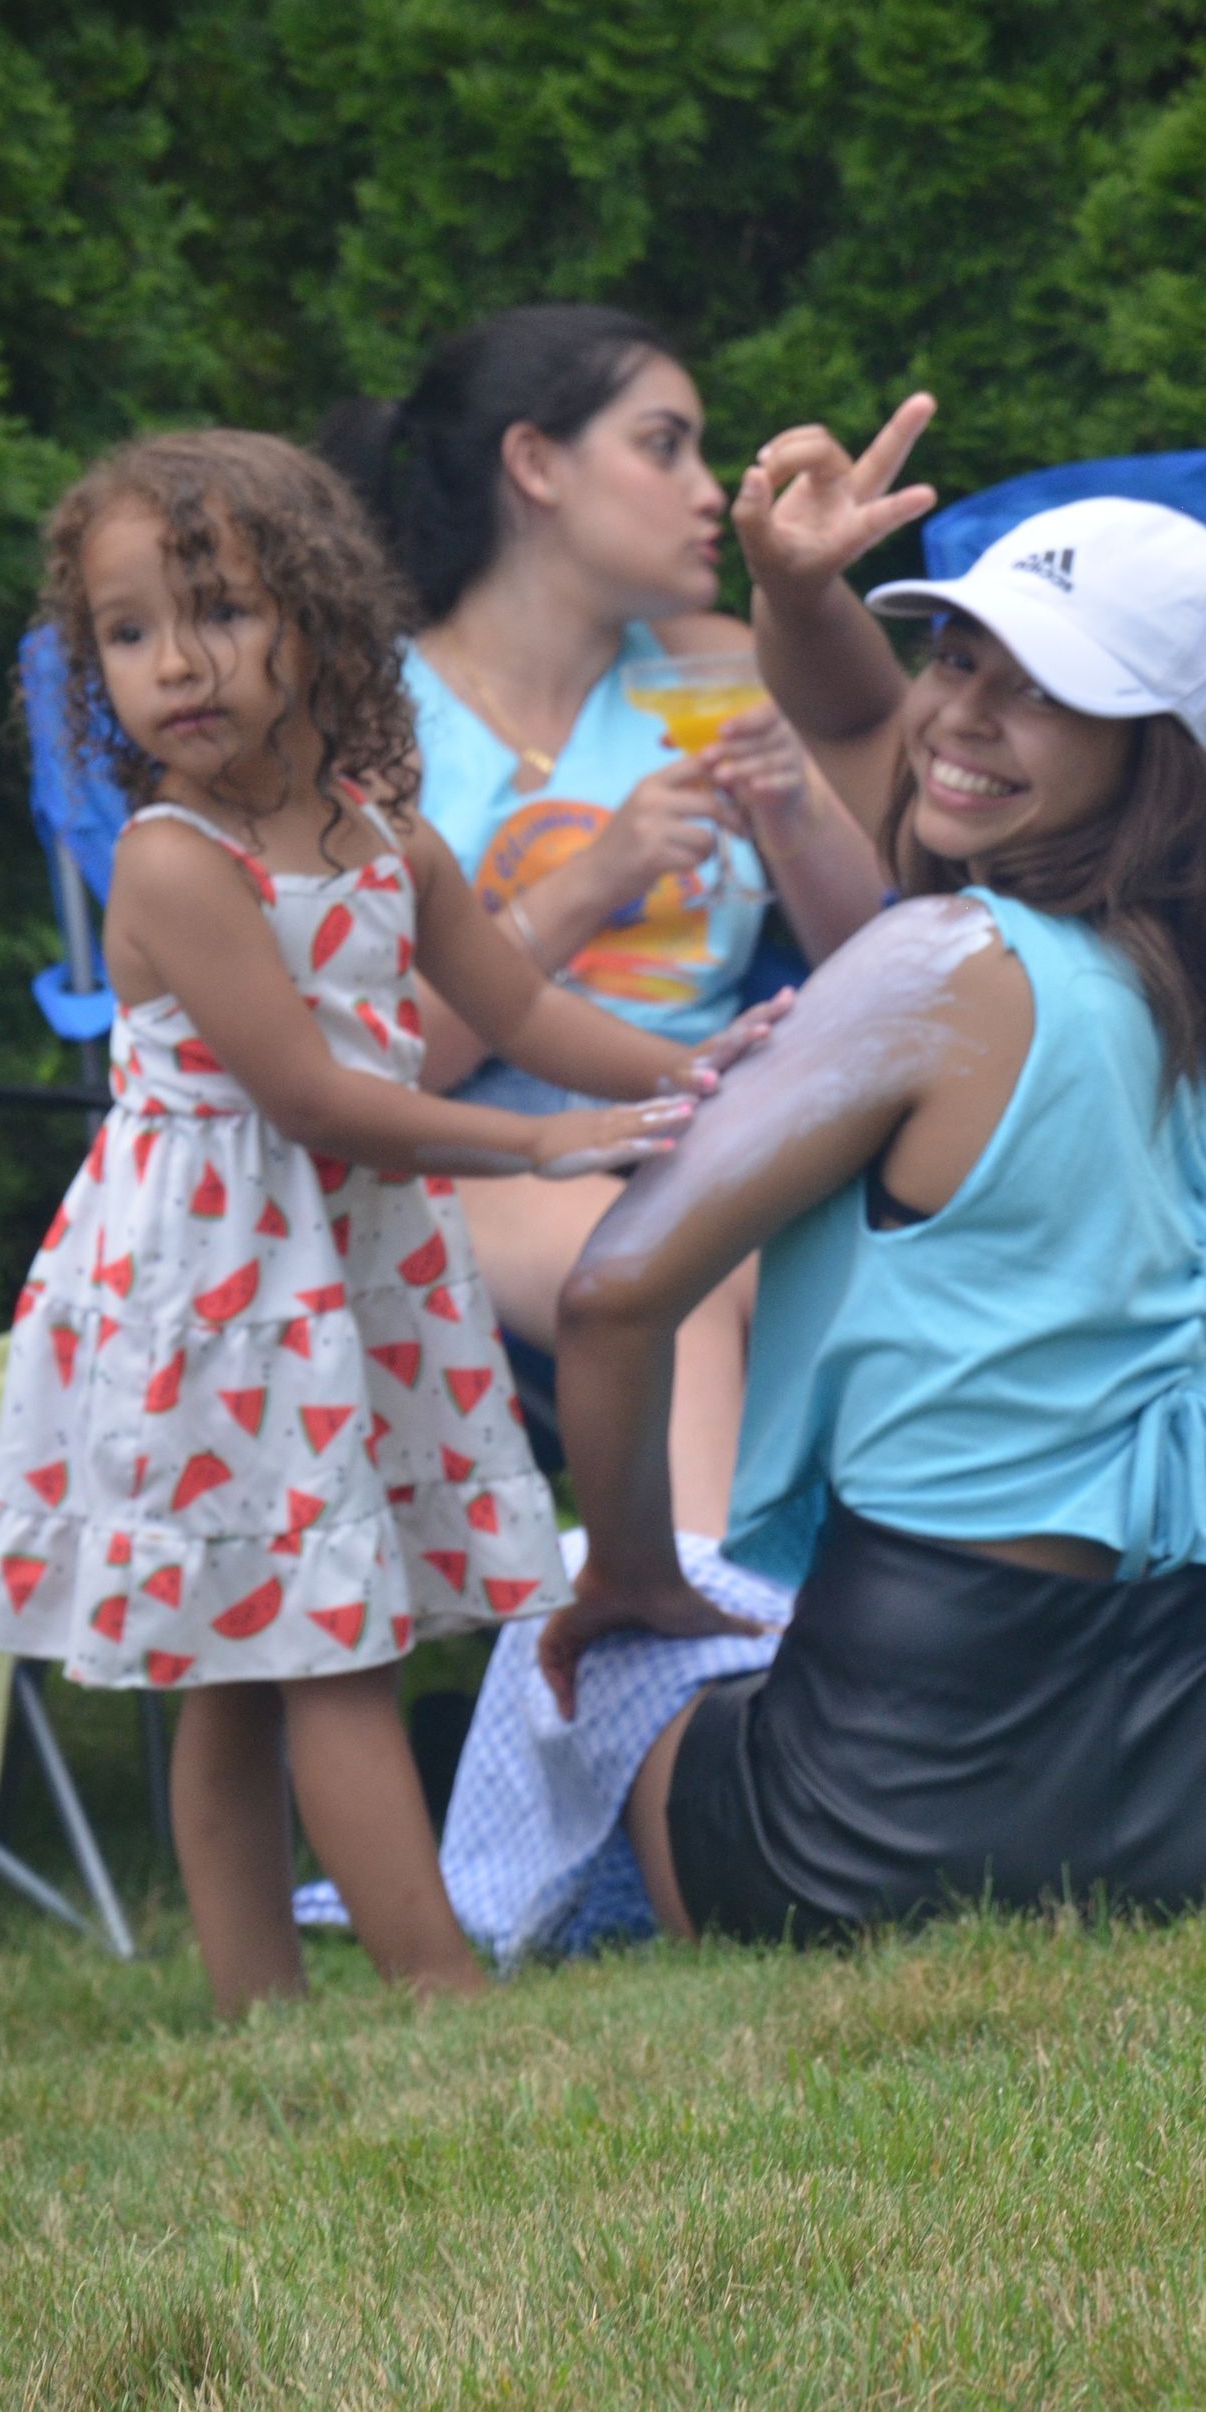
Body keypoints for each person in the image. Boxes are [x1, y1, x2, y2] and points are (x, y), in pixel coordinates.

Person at [532, 437, 1206, 1945]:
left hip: (872, 1843)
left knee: (602, 1650)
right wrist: (796, 591)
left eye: (1047, 686)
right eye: (958, 652)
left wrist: (624, 1574)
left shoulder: (939, 962)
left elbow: (614, 1290)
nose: (968, 714)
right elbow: (880, 725)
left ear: (1150, 747)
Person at [0, 428, 767, 2015]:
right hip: (219, 1297)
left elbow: (521, 1001)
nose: (175, 663)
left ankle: (265, 2007)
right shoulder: (176, 864)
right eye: (128, 632)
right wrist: (540, 1156)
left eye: (221, 612)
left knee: (268, 1650)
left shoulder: (390, 841)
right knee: (306, 1644)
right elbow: (317, 1100)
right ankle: (433, 1985)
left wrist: (699, 1067)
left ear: (317, 617)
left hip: (340, 1281)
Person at [320, 307, 894, 1533]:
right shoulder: (377, 723)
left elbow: (878, 966)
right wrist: (589, 878)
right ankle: (695, 1652)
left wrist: (793, 815)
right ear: (536, 466)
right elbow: (359, 1062)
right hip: (459, 1159)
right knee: (672, 1270)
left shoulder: (716, 665)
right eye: (665, 446)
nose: (710, 493)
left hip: (702, 1138)